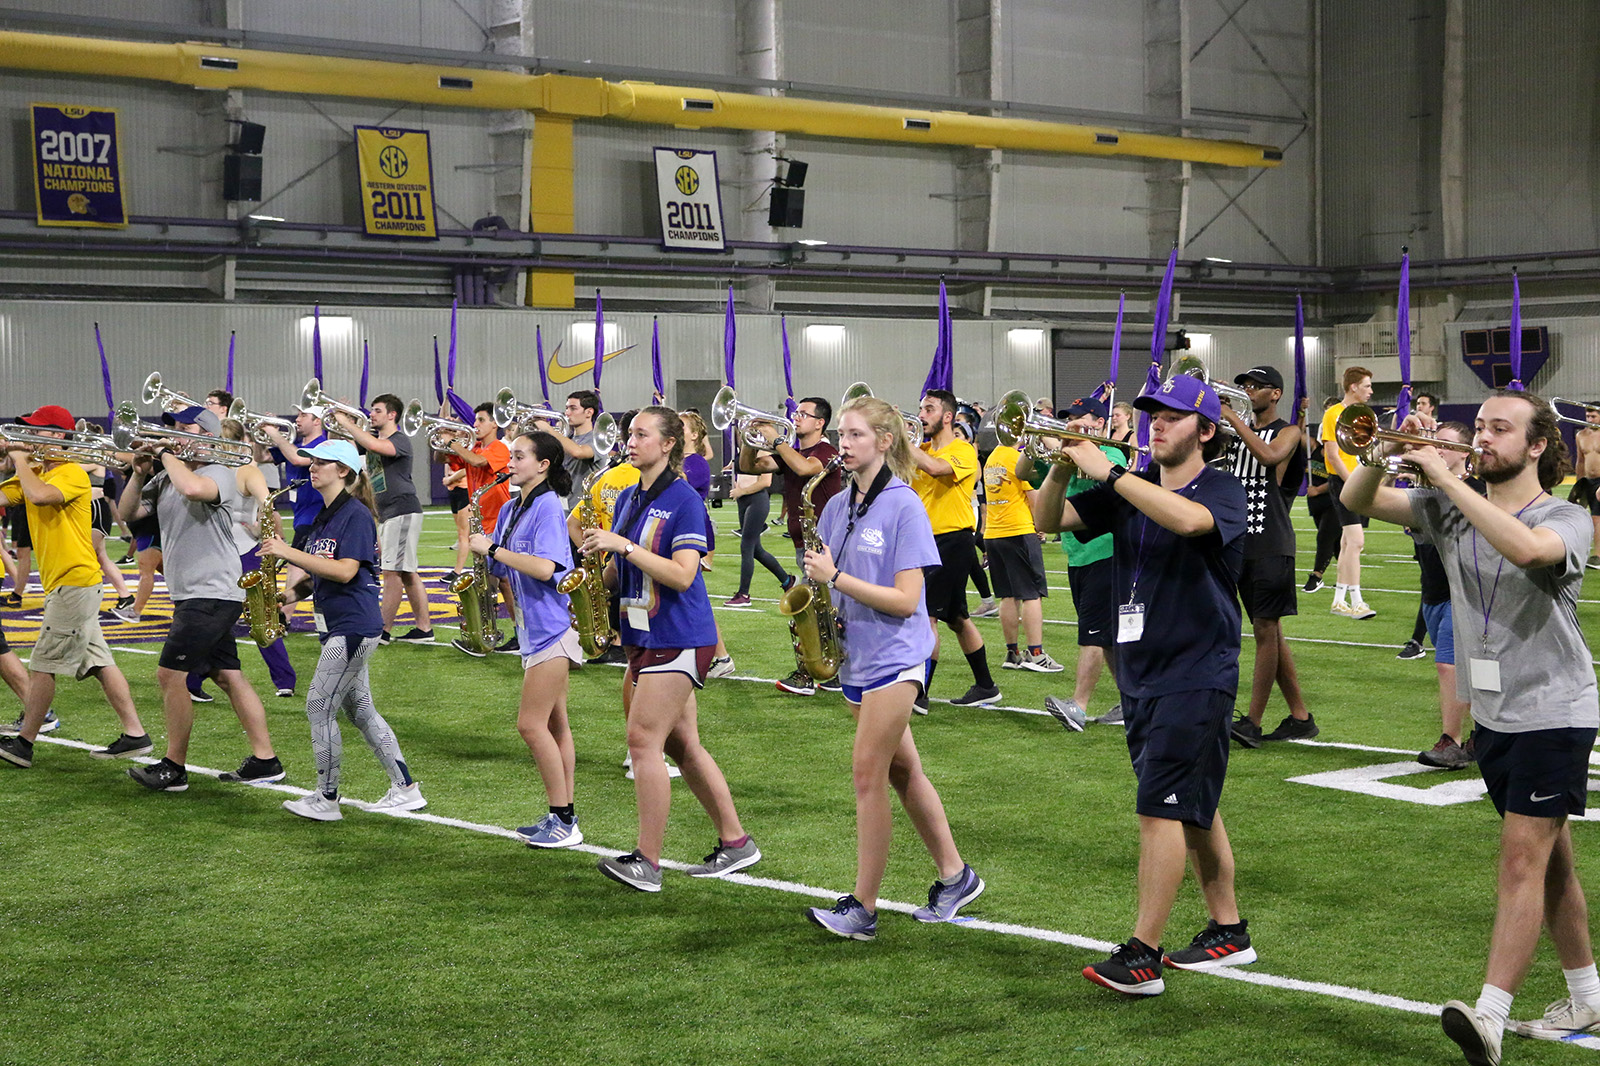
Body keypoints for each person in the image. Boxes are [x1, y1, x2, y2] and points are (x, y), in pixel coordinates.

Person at [1340, 390, 1600, 1063]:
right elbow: (1360, 503)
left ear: (1537, 445)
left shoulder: (1566, 515)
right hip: (1495, 713)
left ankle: (1489, 1015)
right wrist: (1381, 452)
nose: (1482, 438)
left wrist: (1447, 475)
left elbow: (1525, 550)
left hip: (1555, 710)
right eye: (1478, 426)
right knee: (1550, 863)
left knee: (1521, 858)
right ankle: (1588, 994)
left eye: (1499, 429)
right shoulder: (1449, 504)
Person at [1034, 374, 1253, 997]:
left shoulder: (1220, 488)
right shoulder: (1133, 486)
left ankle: (1143, 954)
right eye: (1153, 414)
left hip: (1196, 669)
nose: (1157, 423)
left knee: (1159, 807)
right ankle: (1229, 931)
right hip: (1141, 671)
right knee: (1191, 805)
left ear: (1206, 431)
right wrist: (1059, 465)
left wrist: (1109, 473)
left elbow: (1188, 523)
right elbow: (1049, 520)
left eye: (1173, 417)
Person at [803, 394, 985, 940]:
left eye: (856, 434)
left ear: (885, 441)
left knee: (868, 775)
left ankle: (863, 907)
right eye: (842, 433)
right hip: (857, 656)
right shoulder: (835, 505)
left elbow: (908, 600)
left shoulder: (905, 504)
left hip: (899, 657)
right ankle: (956, 876)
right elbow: (827, 577)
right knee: (904, 772)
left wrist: (835, 579)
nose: (844, 443)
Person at [579, 406, 759, 892]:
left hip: (678, 635)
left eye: (641, 434)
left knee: (642, 741)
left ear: (667, 444)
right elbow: (624, 571)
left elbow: (682, 573)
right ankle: (737, 842)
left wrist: (623, 547)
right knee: (682, 746)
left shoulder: (683, 499)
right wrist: (586, 581)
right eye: (629, 433)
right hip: (643, 634)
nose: (629, 441)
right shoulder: (631, 496)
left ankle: (648, 862)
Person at [118, 405, 283, 791]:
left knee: (169, 674)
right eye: (172, 428)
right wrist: (139, 472)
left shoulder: (218, 474)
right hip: (195, 592)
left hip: (210, 591)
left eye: (184, 427)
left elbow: (194, 489)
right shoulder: (166, 477)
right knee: (228, 675)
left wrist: (163, 454)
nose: (174, 433)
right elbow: (129, 514)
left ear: (207, 435)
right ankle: (266, 760)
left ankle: (173, 767)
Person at [260, 438, 425, 819]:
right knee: (362, 710)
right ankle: (406, 789)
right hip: (338, 624)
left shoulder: (354, 514)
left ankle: (327, 798)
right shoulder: (326, 515)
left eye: (323, 462)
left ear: (344, 471)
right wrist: (286, 597)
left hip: (352, 626)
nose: (312, 467)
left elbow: (347, 570)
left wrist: (288, 552)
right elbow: (321, 574)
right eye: (312, 462)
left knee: (319, 706)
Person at [0, 405, 151, 768]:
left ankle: (24, 743)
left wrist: (19, 459)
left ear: (57, 436)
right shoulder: (36, 471)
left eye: (38, 432)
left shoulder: (70, 473)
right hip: (67, 584)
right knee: (99, 662)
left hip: (74, 582)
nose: (29, 438)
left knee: (42, 665)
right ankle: (135, 734)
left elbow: (39, 496)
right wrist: (11, 461)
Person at [470, 432, 586, 847]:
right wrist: (481, 563)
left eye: (519, 456)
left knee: (530, 725)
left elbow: (544, 567)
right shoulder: (511, 507)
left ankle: (564, 820)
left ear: (544, 466)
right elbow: (502, 567)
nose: (511, 462)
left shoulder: (549, 508)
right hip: (531, 629)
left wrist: (494, 551)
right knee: (555, 726)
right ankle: (563, 814)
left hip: (553, 629)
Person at [1220, 366, 1314, 747]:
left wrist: (1231, 419)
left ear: (1275, 394)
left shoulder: (1287, 432)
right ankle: (1300, 717)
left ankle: (1252, 722)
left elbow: (1269, 456)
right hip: (1238, 541)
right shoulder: (1232, 433)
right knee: (1270, 632)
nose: (1247, 391)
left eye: (1254, 386)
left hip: (1271, 542)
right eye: (1244, 386)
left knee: (1264, 631)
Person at [739, 395, 843, 697]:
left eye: (803, 414)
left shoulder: (826, 451)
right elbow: (751, 466)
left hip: (825, 544)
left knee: (825, 611)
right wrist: (752, 437)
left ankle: (814, 671)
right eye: (796, 413)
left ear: (820, 423)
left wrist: (776, 439)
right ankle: (824, 670)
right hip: (804, 542)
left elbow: (804, 468)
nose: (795, 418)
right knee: (822, 611)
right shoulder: (792, 451)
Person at [910, 389, 1000, 709]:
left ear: (947, 417)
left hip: (950, 540)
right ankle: (986, 686)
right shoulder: (920, 448)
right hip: (927, 541)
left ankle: (920, 694)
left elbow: (936, 469)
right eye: (921, 408)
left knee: (927, 617)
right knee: (957, 617)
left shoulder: (962, 449)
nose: (922, 415)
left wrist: (902, 443)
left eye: (930, 409)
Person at [1041, 397, 1125, 729]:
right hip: (1079, 555)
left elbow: (1095, 468)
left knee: (1093, 633)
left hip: (1106, 552)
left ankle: (1078, 705)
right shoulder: (1068, 450)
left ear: (1100, 424)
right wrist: (1048, 447)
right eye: (1069, 419)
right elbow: (1024, 473)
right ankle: (1133, 701)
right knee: (1105, 637)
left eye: (1079, 419)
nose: (1071, 423)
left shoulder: (1113, 451)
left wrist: (1066, 446)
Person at [334, 394, 434, 644]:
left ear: (392, 415)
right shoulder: (373, 440)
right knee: (407, 573)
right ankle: (424, 629)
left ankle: (382, 631)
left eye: (377, 411)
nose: (372, 414)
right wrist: (340, 422)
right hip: (390, 513)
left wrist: (346, 422)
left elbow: (378, 447)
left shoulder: (399, 440)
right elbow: (346, 448)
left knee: (391, 572)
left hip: (402, 509)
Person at [1405, 421, 1476, 770]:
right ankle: (1484, 733)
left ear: (1465, 453)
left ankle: (1451, 740)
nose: (1438, 449)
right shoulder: (1424, 491)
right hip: (1431, 592)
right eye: (1435, 443)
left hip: (1460, 593)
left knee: (1448, 665)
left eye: (1446, 445)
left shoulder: (1474, 491)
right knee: (1471, 669)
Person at [981, 411, 1061, 675]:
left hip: (994, 533)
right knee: (1031, 594)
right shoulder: (1018, 458)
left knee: (1007, 595)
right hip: (1018, 530)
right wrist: (1041, 525)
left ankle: (1012, 653)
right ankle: (1036, 654)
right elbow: (1033, 495)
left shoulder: (992, 458)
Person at [569, 410, 639, 668]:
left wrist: (592, 555)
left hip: (611, 557)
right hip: (633, 557)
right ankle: (620, 641)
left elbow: (572, 524)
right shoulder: (641, 478)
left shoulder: (606, 476)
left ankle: (614, 640)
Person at [449, 402, 514, 652]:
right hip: (480, 521)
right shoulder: (473, 446)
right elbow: (440, 458)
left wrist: (456, 445)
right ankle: (486, 634)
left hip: (498, 521)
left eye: (480, 420)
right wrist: (447, 441)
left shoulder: (499, 448)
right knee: (486, 582)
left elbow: (477, 463)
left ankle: (512, 633)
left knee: (503, 582)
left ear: (495, 424)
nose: (475, 424)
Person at [259, 400, 328, 628]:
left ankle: (283, 616)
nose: (297, 419)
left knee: (299, 564)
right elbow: (262, 457)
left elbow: (298, 459)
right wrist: (261, 434)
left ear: (317, 421)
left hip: (317, 515)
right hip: (302, 515)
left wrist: (275, 434)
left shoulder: (323, 444)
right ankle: (285, 615)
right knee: (304, 567)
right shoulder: (294, 443)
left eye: (303, 415)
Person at [678, 410, 734, 677]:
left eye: (680, 427)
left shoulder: (696, 462)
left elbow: (680, 484)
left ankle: (721, 656)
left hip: (695, 534)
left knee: (694, 597)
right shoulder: (678, 459)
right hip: (680, 532)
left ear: (695, 435)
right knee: (688, 597)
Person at [1319, 366, 1377, 619]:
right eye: (1366, 386)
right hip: (1344, 482)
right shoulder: (1334, 413)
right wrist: (1353, 482)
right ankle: (1357, 602)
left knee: (1347, 543)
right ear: (1353, 387)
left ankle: (1339, 601)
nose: (1371, 391)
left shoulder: (1364, 414)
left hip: (1357, 480)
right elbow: (1332, 455)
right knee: (1356, 542)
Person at [723, 464, 790, 607]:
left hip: (756, 499)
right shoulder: (743, 449)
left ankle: (744, 594)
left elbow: (766, 481)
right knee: (757, 550)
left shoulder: (760, 448)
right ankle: (787, 581)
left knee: (746, 545)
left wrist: (742, 490)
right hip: (743, 500)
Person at [534, 389, 603, 512]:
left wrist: (548, 428)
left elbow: (578, 452)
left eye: (573, 408)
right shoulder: (566, 438)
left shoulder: (599, 439)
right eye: (566, 408)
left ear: (589, 412)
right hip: (563, 507)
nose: (567, 413)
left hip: (586, 509)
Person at [1569, 403, 1600, 570]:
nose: (1590, 420)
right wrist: (1578, 483)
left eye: (1593, 416)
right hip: (1588, 481)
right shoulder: (1581, 435)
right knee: (1584, 517)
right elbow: (1580, 461)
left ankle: (1598, 556)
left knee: (1597, 517)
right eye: (1588, 416)